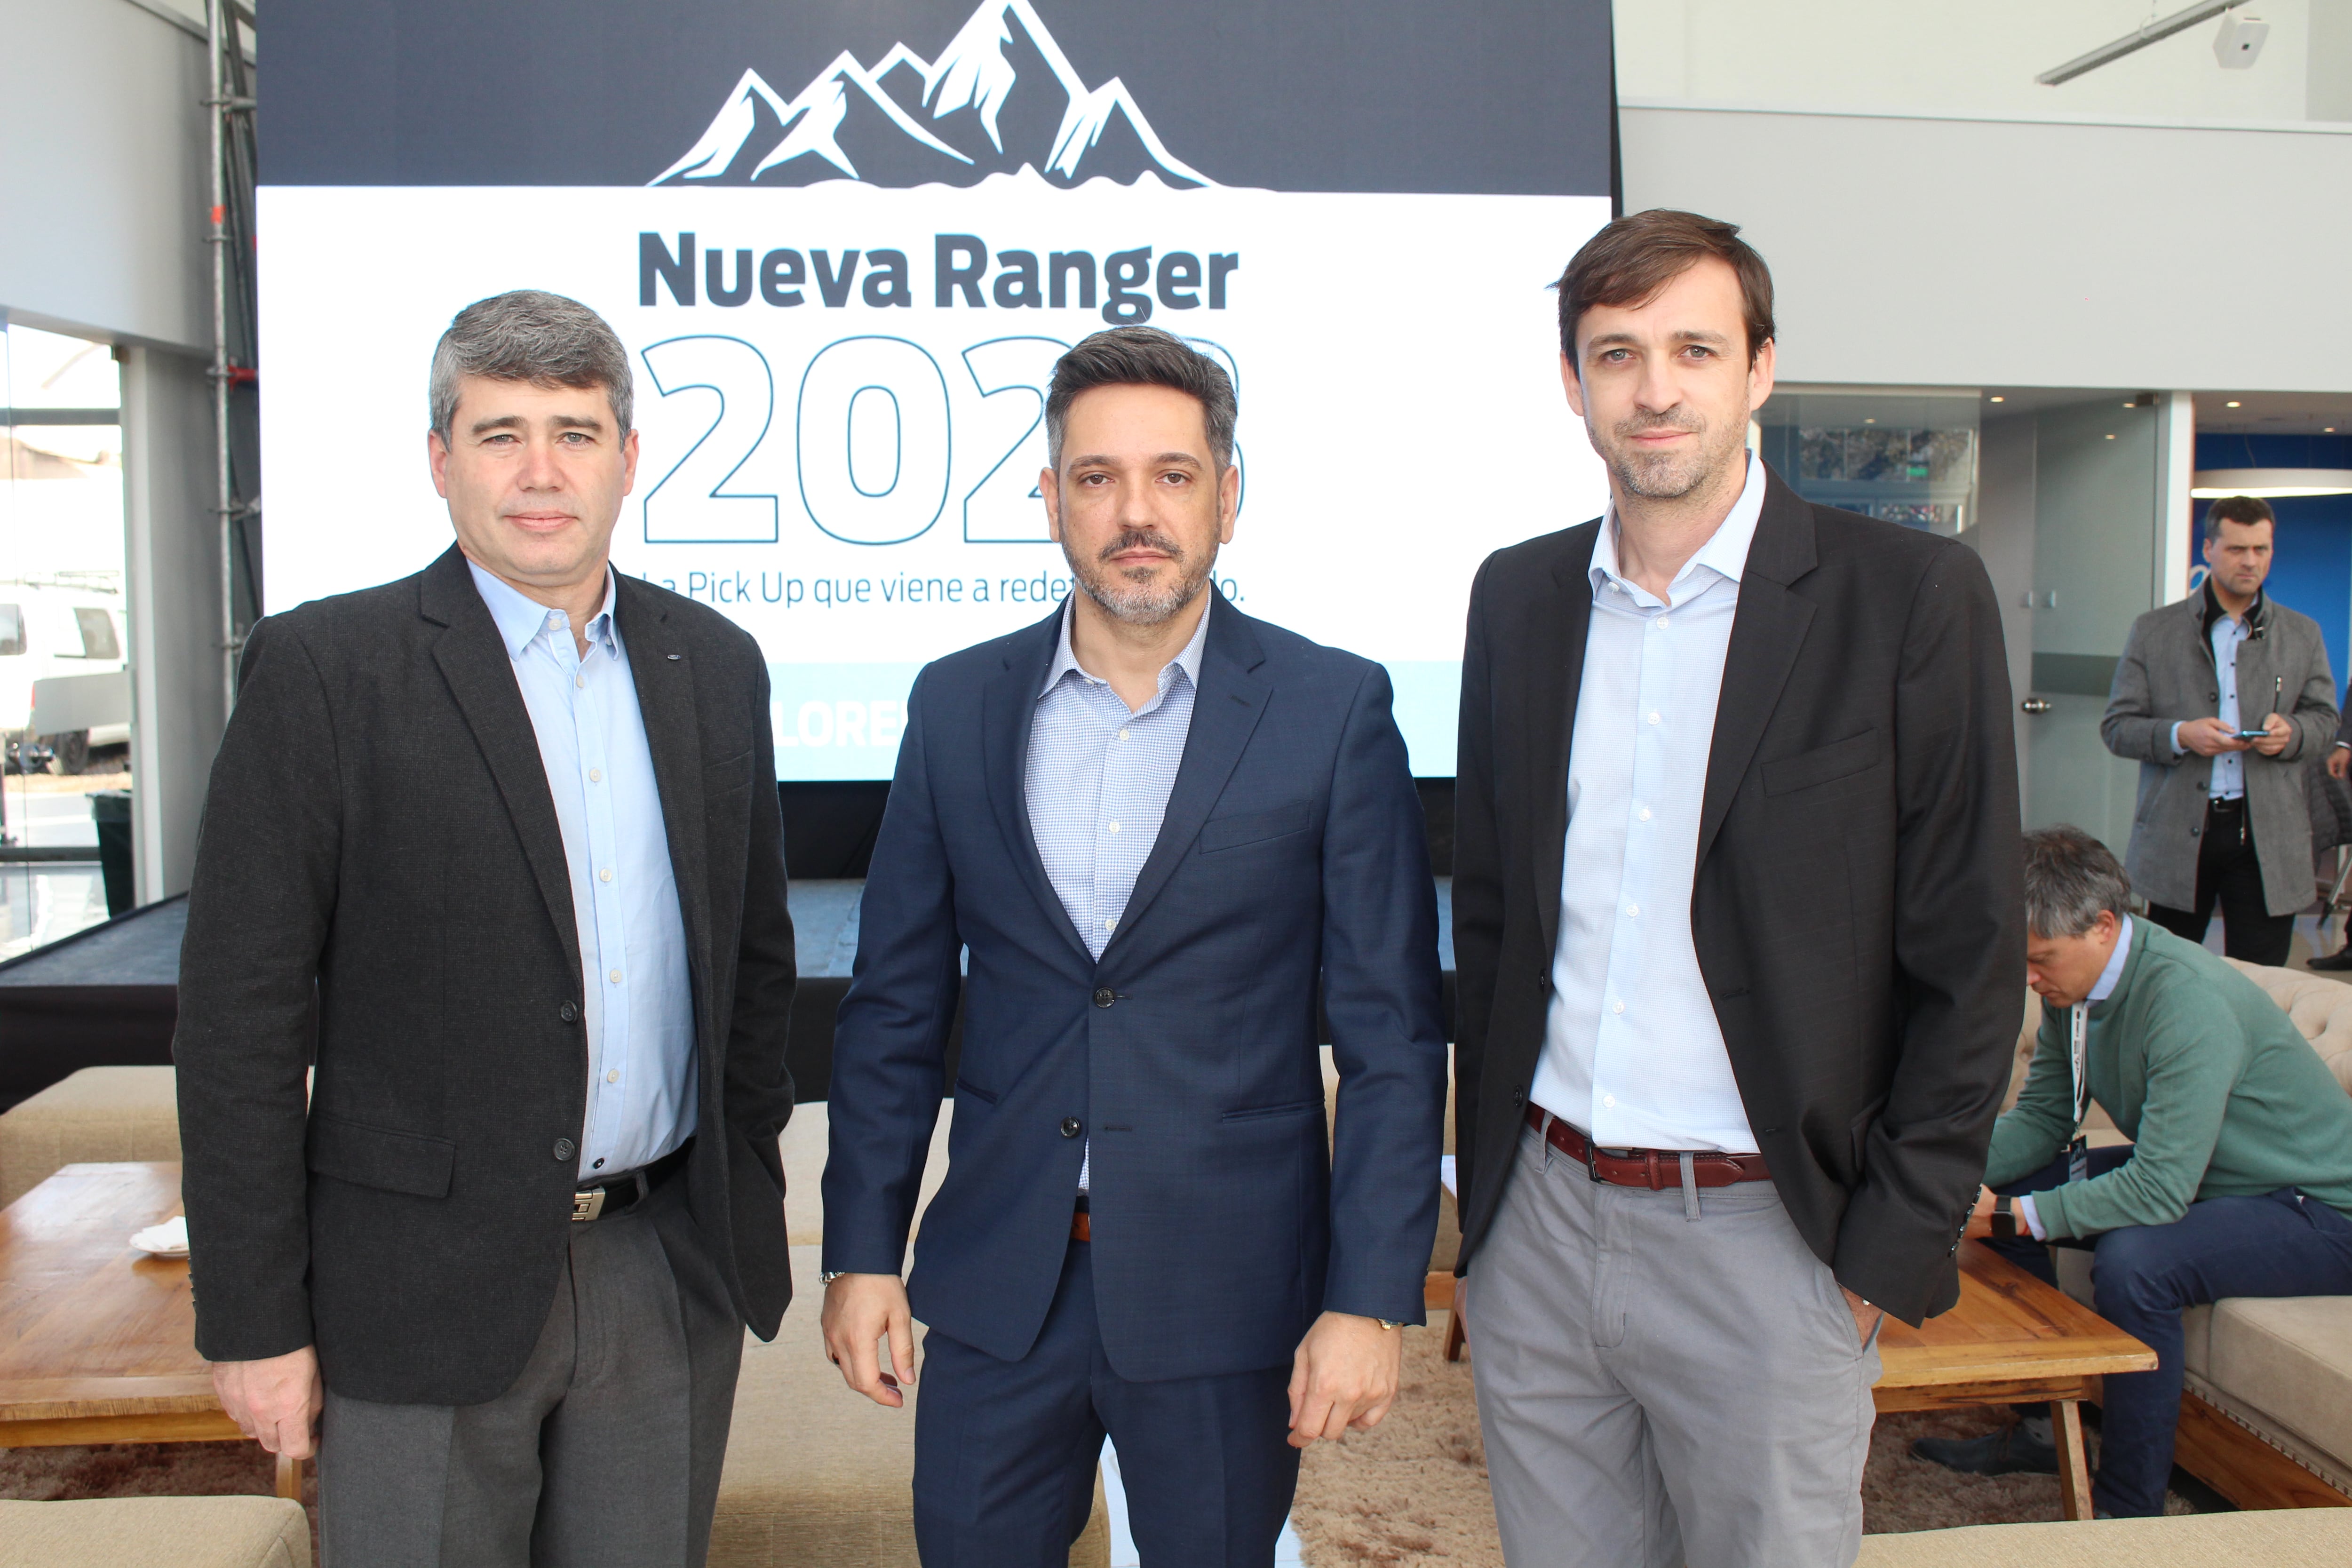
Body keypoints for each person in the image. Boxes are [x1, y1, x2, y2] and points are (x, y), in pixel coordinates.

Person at [175, 290, 798, 1566]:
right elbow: (239, 1020)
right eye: (500, 431)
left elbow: (752, 966)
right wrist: (252, 1318)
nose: (539, 471)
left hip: (662, 1262)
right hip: (414, 1290)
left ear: (629, 457)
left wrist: (734, 1218)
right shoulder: (325, 672)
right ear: (438, 459)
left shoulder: (715, 663)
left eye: (575, 432)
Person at [1449, 208, 2023, 1568]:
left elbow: (1972, 950)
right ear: (1573, 382)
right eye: (1617, 352)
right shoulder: (1518, 598)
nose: (1656, 388)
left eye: (1695, 348)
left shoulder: (1911, 596)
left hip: (1775, 1231)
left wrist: (1888, 1243)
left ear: (1760, 369)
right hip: (1542, 1215)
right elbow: (1490, 918)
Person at [820, 326, 1446, 1567]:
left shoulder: (1333, 710)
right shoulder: (956, 703)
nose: (1135, 511)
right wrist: (859, 1253)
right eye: (1097, 477)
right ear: (1051, 500)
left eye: (1171, 474)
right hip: (1001, 1287)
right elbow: (893, 1009)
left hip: (1229, 1293)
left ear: (1229, 494)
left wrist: (1371, 1294)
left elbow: (1390, 1036)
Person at [1916, 826, 2352, 1516]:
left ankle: (2129, 1510)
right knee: (2024, 1191)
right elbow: (2044, 1121)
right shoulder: (2079, 991)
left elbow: (2160, 1188)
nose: (2029, 979)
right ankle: (2038, 1428)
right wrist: (1939, 1171)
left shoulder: (2186, 999)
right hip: (2217, 1177)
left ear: (2103, 926)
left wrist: (2005, 1213)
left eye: (2041, 959)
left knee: (2136, 1260)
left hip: (2319, 1211)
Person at [2102, 495, 2338, 968]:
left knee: (2260, 980)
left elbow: (2325, 722)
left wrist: (2289, 734)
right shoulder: (2154, 631)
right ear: (2207, 549)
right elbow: (2117, 727)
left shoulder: (2301, 633)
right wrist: (2179, 734)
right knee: (2170, 974)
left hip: (2267, 834)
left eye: (2260, 549)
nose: (2250, 561)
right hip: (2177, 831)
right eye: (2235, 549)